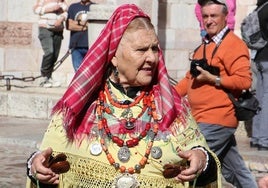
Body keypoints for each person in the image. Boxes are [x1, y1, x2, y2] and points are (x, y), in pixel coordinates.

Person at [26, 4, 221, 188]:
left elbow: (202, 156)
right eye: (142, 50)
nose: (152, 57)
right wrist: (37, 168)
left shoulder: (172, 108)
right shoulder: (78, 109)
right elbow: (47, 162)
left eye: (154, 48)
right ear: (114, 56)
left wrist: (202, 160)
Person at [175, 0, 258, 188]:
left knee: (191, 165)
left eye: (213, 16)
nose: (209, 20)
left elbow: (244, 81)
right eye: (205, 16)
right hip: (203, 119)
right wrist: (167, 95)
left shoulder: (234, 45)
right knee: (236, 171)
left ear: (225, 17)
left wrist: (214, 79)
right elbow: (189, 79)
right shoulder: (204, 45)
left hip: (216, 120)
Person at [33, 0, 68, 88]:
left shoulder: (61, 1)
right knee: (49, 52)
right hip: (45, 28)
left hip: (58, 30)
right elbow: (36, 9)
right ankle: (44, 76)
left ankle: (49, 78)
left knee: (55, 56)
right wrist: (50, 8)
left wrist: (60, 19)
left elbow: (67, 12)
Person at [250, 0, 268, 151]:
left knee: (260, 98)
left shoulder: (259, 8)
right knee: (267, 100)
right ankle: (264, 140)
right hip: (267, 59)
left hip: (258, 58)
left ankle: (255, 138)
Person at [66, 0, 93, 72]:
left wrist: (76, 24)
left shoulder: (95, 7)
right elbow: (69, 25)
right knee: (78, 73)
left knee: (90, 72)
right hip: (75, 47)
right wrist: (85, 26)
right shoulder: (73, 7)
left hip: (91, 47)